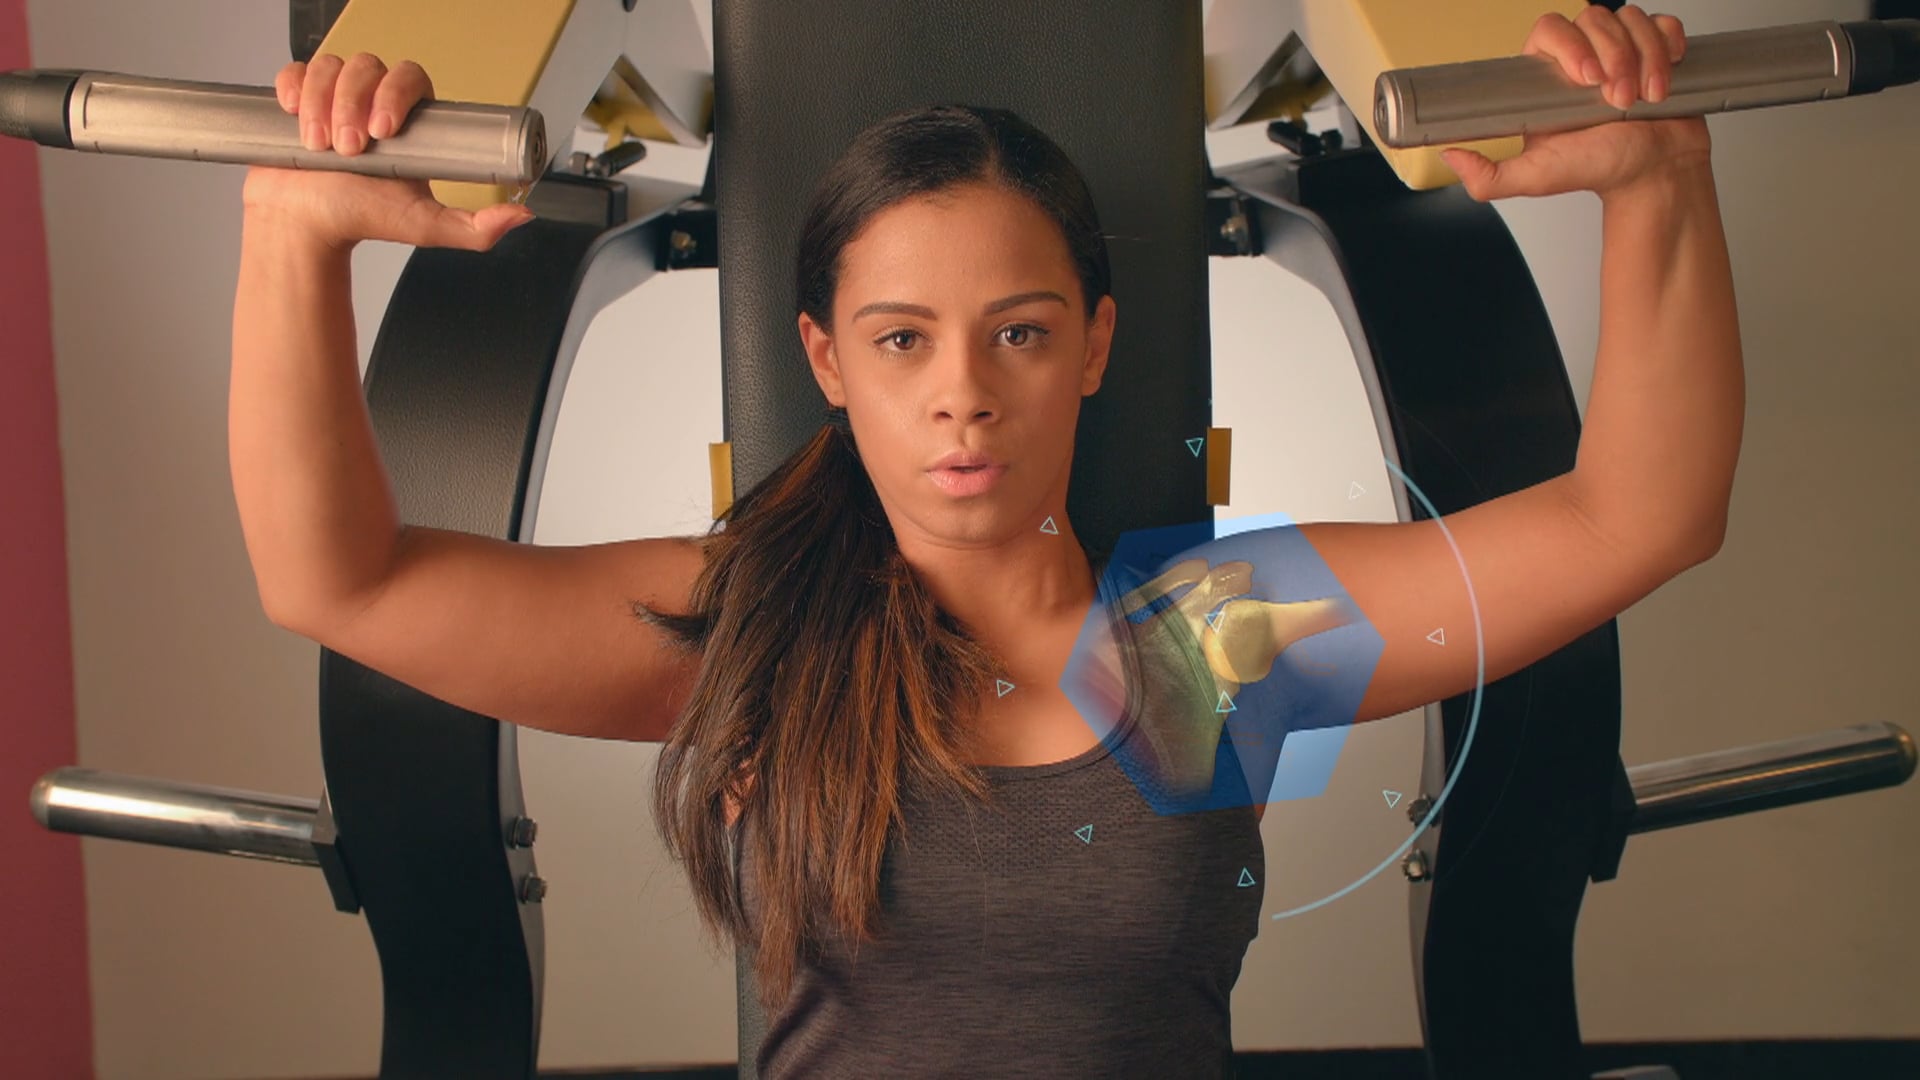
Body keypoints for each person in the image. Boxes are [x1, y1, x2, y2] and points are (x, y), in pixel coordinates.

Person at [231, 5, 1740, 1075]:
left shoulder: (1210, 638)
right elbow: (336, 579)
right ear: (828, 363)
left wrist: (1657, 179)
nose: (961, 396)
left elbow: (1639, 517)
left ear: (1091, 346)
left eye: (1016, 333)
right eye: (902, 342)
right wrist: (294, 238)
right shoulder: (759, 628)